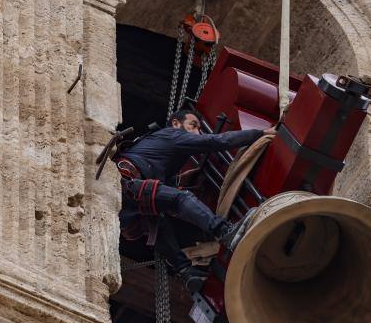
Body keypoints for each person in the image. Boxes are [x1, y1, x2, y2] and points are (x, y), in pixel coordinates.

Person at [115, 108, 274, 290]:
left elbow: (154, 171)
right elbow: (216, 141)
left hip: (124, 198)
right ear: (176, 123)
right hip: (126, 184)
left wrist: (177, 181)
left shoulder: (159, 146)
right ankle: (225, 232)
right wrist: (260, 133)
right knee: (180, 199)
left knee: (157, 224)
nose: (198, 132)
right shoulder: (173, 134)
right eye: (193, 125)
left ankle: (186, 272)